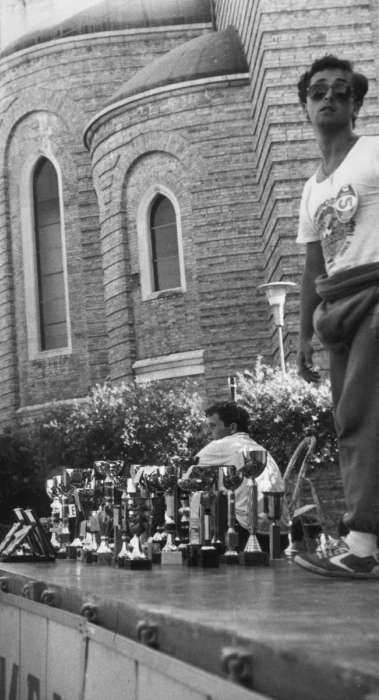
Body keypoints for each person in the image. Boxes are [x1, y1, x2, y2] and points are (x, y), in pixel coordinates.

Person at [295, 54, 379, 578]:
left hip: (376, 294)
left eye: (341, 91)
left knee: (366, 418)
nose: (330, 97)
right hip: (339, 309)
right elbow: (312, 264)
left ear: (355, 104)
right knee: (351, 420)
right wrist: (302, 334)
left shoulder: (373, 153)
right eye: (319, 90)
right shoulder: (313, 188)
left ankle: (362, 543)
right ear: (305, 104)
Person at [195, 401, 290, 552]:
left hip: (247, 536)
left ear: (232, 427)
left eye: (212, 426)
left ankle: (191, 545)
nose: (207, 432)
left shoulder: (224, 444)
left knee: (203, 493)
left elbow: (187, 472)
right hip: (280, 537)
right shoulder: (259, 448)